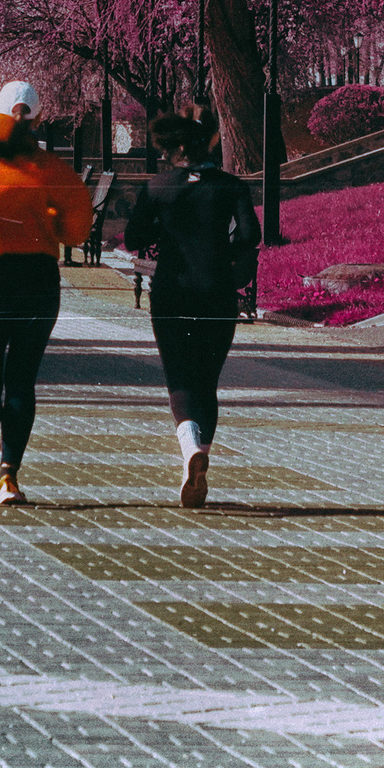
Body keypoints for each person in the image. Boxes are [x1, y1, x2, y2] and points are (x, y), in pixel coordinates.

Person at [0, 105, 92, 506]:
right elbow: (77, 229)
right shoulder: (49, 168)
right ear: (37, 119)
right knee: (22, 378)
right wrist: (49, 222)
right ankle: (10, 478)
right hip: (38, 279)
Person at [123, 113, 261, 508]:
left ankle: (189, 451)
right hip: (216, 288)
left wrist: (162, 232)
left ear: (174, 149)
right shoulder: (230, 186)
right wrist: (228, 253)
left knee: (179, 376)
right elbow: (251, 235)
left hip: (171, 289)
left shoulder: (158, 187)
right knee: (206, 380)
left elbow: (134, 237)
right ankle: (202, 450)